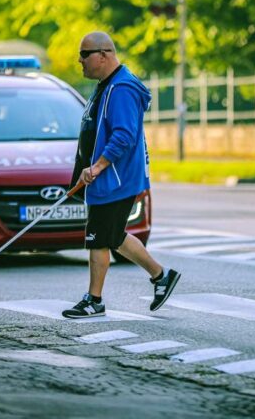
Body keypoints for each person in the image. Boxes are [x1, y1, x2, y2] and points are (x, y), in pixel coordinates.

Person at [62, 31, 181, 319]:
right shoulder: (107, 85)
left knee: (98, 239)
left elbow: (124, 137)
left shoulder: (122, 89)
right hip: (109, 178)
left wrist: (98, 167)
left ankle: (94, 300)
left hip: (114, 178)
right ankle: (161, 276)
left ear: (103, 55)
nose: (80, 60)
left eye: (85, 54)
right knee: (113, 236)